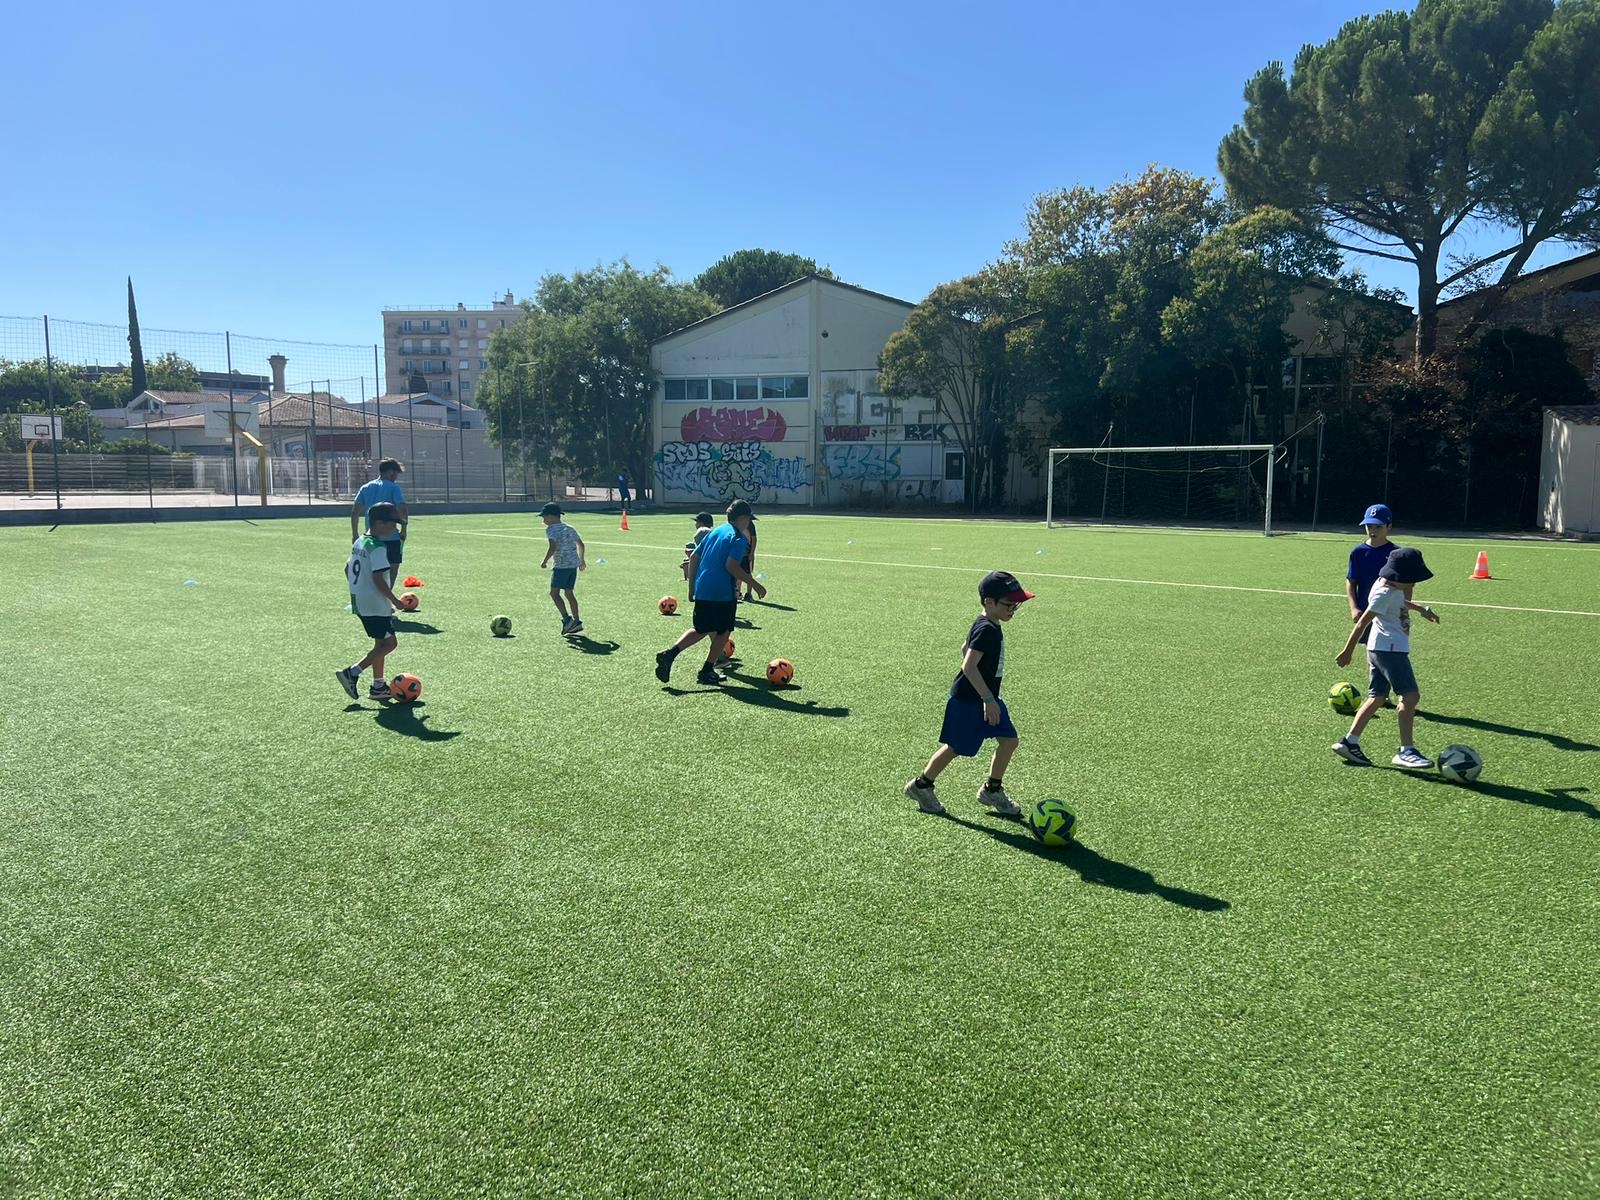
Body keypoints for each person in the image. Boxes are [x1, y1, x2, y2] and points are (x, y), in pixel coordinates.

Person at [904, 571, 1035, 817]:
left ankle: (992, 790)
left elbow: (965, 648)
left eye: (1016, 605)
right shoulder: (986, 629)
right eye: (1008, 604)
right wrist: (987, 699)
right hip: (970, 701)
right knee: (955, 747)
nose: (1013, 610)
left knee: (1009, 741)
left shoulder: (988, 624)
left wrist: (990, 697)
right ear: (989, 602)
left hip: (988, 698)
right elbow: (968, 665)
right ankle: (921, 785)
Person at [1333, 546, 1442, 769]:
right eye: (1411, 581)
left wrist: (1421, 609)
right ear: (1397, 577)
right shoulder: (1384, 592)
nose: (1413, 585)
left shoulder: (1388, 587)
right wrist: (1347, 651)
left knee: (1378, 697)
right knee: (1410, 697)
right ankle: (1406, 750)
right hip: (1390, 650)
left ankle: (1349, 742)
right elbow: (1363, 621)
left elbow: (1399, 602)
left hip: (1380, 649)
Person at [656, 499, 766, 686]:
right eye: (748, 520)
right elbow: (731, 566)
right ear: (744, 518)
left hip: (704, 588)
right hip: (722, 591)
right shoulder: (738, 538)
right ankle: (707, 669)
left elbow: (694, 558)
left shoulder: (714, 532)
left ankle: (670, 654)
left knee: (702, 628)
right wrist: (754, 584)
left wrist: (692, 587)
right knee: (724, 631)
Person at [336, 503, 405, 702]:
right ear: (379, 522)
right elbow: (377, 578)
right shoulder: (377, 548)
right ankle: (353, 672)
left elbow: (347, 568)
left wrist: (358, 588)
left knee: (380, 643)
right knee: (390, 644)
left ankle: (378, 686)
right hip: (376, 604)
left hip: (361, 601)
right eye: (393, 523)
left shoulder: (360, 542)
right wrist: (395, 601)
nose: (396, 528)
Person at [1347, 503, 1398, 709]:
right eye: (1369, 526)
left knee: (1390, 653)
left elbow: (1405, 585)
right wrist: (1353, 607)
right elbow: (1351, 581)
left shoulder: (1395, 553)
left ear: (1389, 527)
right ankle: (1378, 694)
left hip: (1389, 613)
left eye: (1377, 526)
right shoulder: (1358, 552)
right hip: (1366, 612)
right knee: (1372, 652)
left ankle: (1388, 691)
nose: (1372, 530)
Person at [351, 459, 408, 581]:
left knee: (373, 569)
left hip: (371, 537)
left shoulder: (365, 487)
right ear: (391, 472)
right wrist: (404, 530)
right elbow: (402, 509)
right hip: (391, 537)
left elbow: (355, 512)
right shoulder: (394, 488)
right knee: (393, 568)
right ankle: (387, 595)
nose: (396, 477)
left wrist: (355, 534)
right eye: (396, 473)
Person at [538, 502, 586, 635]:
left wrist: (545, 560)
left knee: (554, 593)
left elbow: (553, 546)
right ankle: (576, 621)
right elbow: (581, 544)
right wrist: (582, 560)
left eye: (544, 517)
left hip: (561, 566)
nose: (543, 520)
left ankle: (567, 619)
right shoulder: (570, 528)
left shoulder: (551, 530)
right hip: (573, 566)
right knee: (569, 593)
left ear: (551, 516)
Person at [680, 511, 715, 584]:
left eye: (697, 522)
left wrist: (691, 562)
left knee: (687, 564)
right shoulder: (713, 532)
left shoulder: (702, 532)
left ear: (701, 523)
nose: (695, 524)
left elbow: (704, 555)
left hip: (709, 569)